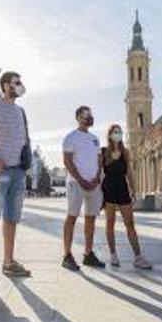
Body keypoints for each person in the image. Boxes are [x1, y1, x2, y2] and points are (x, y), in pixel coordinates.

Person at [0, 71, 32, 278]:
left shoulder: (20, 111)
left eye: (20, 82)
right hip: (0, 171)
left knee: (12, 219)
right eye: (16, 82)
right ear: (5, 85)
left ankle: (9, 261)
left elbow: (24, 137)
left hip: (18, 171)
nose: (20, 85)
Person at [100, 124, 152, 269]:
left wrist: (134, 190)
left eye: (119, 132)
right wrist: (97, 192)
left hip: (123, 188)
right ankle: (113, 255)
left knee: (130, 224)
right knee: (110, 223)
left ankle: (138, 257)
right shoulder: (103, 152)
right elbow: (100, 173)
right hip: (108, 189)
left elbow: (129, 172)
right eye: (115, 132)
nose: (118, 134)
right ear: (109, 135)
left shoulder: (126, 152)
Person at [61, 106, 105, 271]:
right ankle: (67, 255)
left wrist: (96, 178)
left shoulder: (95, 139)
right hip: (75, 184)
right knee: (71, 217)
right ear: (78, 117)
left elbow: (99, 160)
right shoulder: (70, 137)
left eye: (90, 114)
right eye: (86, 115)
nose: (89, 117)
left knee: (91, 219)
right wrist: (81, 180)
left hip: (93, 185)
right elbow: (67, 161)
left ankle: (88, 254)